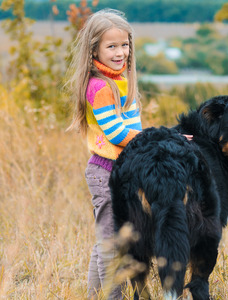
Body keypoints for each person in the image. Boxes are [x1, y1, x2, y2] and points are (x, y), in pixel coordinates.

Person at [65, 9, 141, 299]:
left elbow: (133, 127)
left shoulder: (124, 81)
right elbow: (118, 134)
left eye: (124, 45)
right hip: (105, 172)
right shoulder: (100, 87)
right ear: (94, 48)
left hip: (123, 172)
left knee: (108, 243)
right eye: (111, 46)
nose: (120, 52)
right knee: (111, 246)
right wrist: (157, 139)